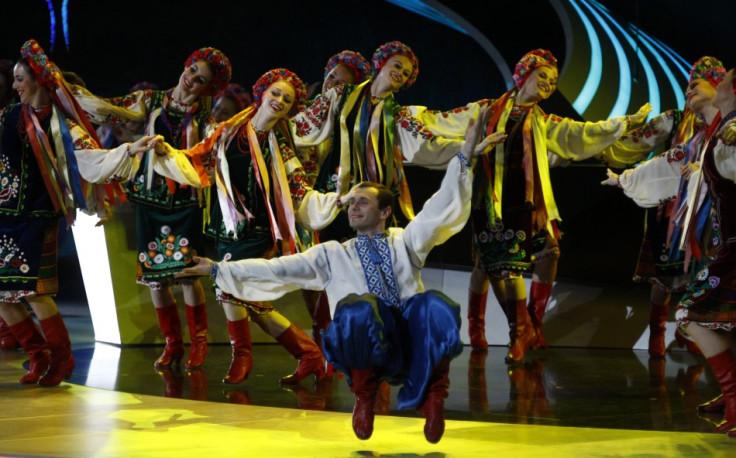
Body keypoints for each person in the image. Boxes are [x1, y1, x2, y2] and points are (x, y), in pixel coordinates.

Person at [177, 107, 506, 443]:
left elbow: (437, 212)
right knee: (357, 309)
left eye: (363, 202)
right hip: (362, 350)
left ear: (385, 212)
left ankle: (433, 397)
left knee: (434, 305)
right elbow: (278, 270)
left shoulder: (405, 242)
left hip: (407, 344)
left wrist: (464, 159)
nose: (354, 207)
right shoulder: (332, 254)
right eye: (351, 203)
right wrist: (217, 268)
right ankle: (364, 396)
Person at [412, 49, 650, 362]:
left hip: (527, 203)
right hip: (491, 201)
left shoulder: (542, 120)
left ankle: (528, 327)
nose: (549, 85)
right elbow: (443, 121)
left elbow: (579, 132)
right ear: (524, 74)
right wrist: (406, 116)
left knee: (545, 253)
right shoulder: (485, 109)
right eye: (543, 77)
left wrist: (622, 124)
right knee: (495, 267)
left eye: (553, 81)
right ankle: (507, 330)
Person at [152, 68, 344, 385]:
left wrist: (332, 202)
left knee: (229, 292)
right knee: (245, 299)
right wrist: (166, 154)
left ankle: (244, 357)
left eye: (287, 99)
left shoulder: (279, 145)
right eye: (276, 93)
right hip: (229, 227)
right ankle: (308, 354)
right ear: (262, 93)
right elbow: (198, 157)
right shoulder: (227, 130)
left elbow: (297, 188)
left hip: (259, 231)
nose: (280, 100)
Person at [0, 39, 155, 386]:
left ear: (40, 80)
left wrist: (129, 149)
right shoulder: (8, 117)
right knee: (2, 297)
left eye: (20, 78)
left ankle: (62, 358)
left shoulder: (62, 127)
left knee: (36, 292)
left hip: (37, 217)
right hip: (4, 217)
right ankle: (38, 357)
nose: (14, 86)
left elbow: (92, 160)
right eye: (13, 79)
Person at [70, 47, 232, 370]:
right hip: (150, 197)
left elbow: (211, 156)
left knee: (186, 273)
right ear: (185, 66)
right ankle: (173, 343)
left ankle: (198, 343)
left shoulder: (205, 119)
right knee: (154, 275)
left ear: (207, 89)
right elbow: (110, 108)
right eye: (192, 71)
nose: (192, 80)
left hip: (185, 201)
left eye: (201, 80)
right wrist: (68, 91)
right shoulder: (151, 100)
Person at [601, 57, 726, 357]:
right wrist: (616, 166)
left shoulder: (726, 127)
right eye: (688, 85)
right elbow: (657, 155)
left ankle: (693, 330)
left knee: (704, 275)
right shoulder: (682, 127)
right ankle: (663, 330)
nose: (688, 90)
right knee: (667, 272)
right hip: (671, 206)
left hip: (714, 212)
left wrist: (705, 170)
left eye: (696, 83)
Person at [672, 68, 736, 437]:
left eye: (724, 77)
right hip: (723, 242)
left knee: (692, 312)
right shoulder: (714, 132)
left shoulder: (728, 131)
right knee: (719, 319)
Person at [298, 49, 372, 348]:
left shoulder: (352, 121)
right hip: (305, 203)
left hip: (334, 205)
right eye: (331, 77)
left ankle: (331, 337)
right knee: (309, 273)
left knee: (332, 270)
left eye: (341, 84)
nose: (332, 85)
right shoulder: (305, 113)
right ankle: (322, 337)